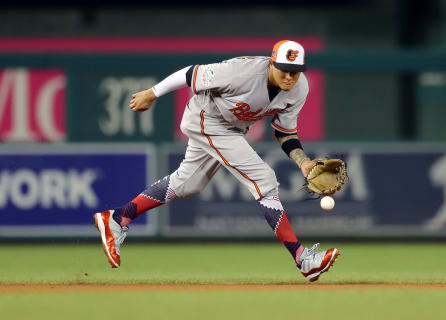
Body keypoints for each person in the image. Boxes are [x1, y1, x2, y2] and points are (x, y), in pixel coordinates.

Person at [94, 40, 339, 282]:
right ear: (271, 63)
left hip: (232, 129)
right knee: (264, 178)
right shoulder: (241, 72)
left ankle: (117, 219)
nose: (290, 77)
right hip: (205, 118)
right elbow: (190, 73)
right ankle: (302, 259)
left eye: (296, 72)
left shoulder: (299, 88)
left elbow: (284, 133)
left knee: (187, 184)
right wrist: (152, 93)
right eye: (285, 69)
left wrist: (303, 162)